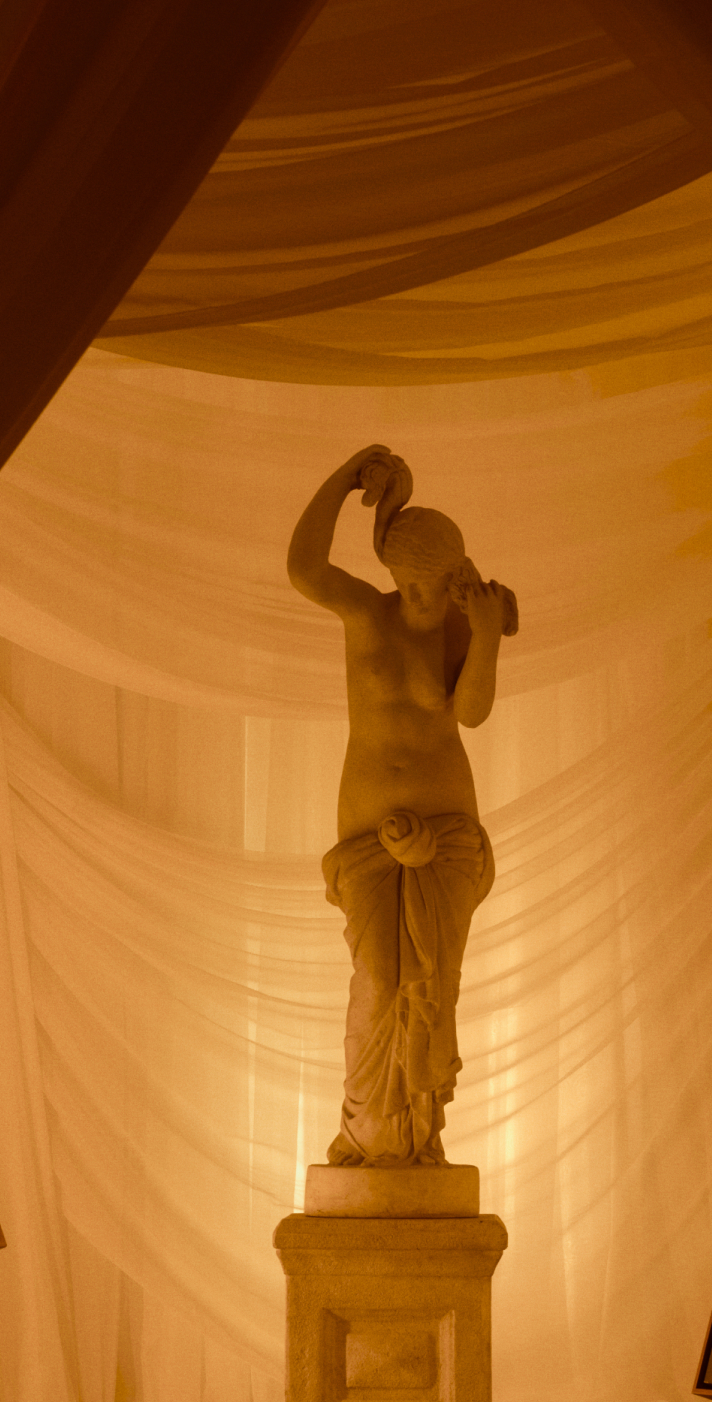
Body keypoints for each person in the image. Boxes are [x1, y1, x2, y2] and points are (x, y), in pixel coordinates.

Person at [287, 443, 516, 1167]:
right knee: (378, 982)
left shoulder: (460, 624)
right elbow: (304, 568)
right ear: (393, 574)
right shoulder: (365, 613)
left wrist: (484, 636)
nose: (419, 601)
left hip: (446, 834)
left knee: (431, 990)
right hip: (366, 836)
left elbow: (472, 713)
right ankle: (364, 1132)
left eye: (431, 588)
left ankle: (417, 1141)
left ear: (451, 578)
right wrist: (343, 475)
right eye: (409, 587)